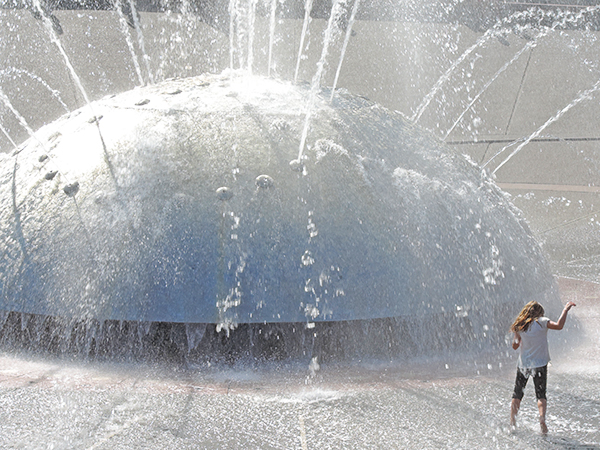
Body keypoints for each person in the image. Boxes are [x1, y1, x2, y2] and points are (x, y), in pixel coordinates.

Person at [509, 300, 576, 434]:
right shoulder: (543, 322)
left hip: (524, 365)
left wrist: (519, 336)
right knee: (541, 395)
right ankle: (542, 420)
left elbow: (515, 346)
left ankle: (512, 422)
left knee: (517, 394)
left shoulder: (520, 325)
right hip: (540, 364)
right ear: (539, 312)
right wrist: (565, 310)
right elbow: (559, 326)